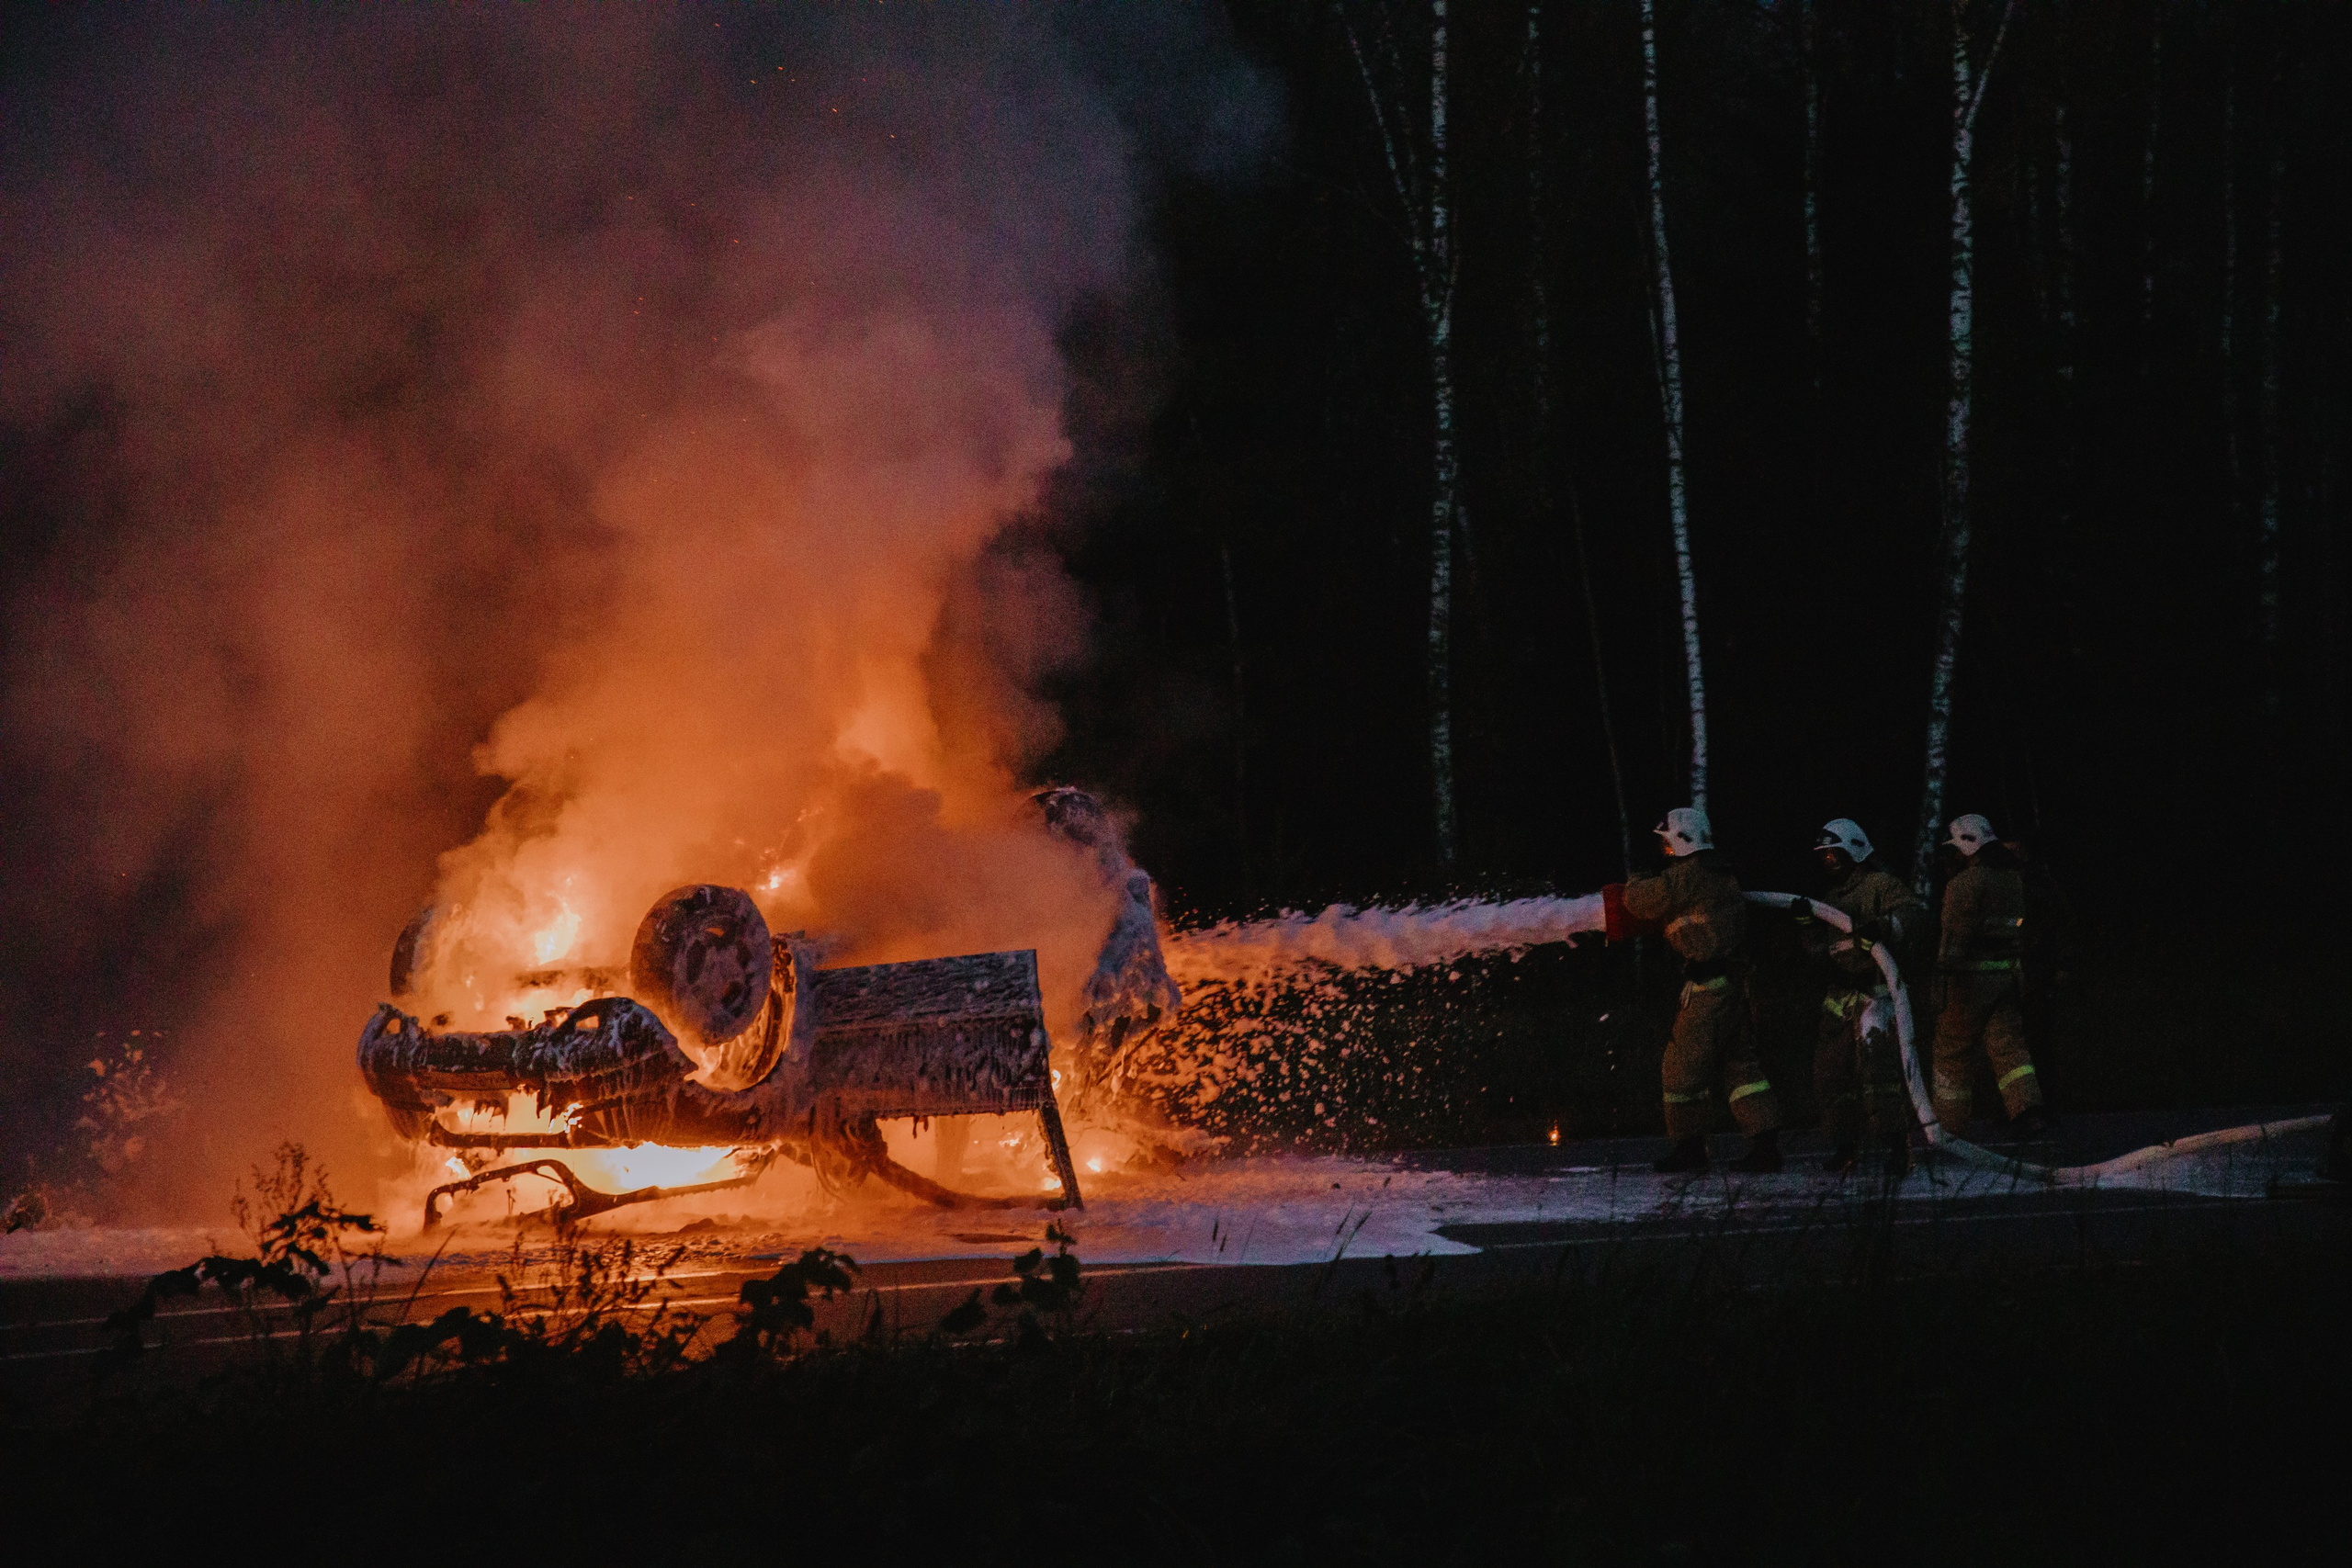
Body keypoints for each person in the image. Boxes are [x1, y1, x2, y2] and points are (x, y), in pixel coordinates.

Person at [1605, 807, 1784, 1174]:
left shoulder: (1691, 875)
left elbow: (1639, 901)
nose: (1665, 853)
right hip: (1732, 986)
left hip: (1708, 992)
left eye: (1668, 845)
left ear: (1683, 842)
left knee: (1680, 1069)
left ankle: (1689, 1148)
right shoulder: (1717, 872)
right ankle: (1766, 1146)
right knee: (1739, 1066)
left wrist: (1637, 876)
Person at [1794, 818, 1922, 1177]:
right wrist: (1807, 927)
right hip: (1839, 999)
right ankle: (1845, 1147)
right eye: (1824, 856)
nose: (1828, 861)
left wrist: (1881, 926)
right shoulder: (1829, 900)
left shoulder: (1881, 885)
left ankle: (1898, 1148)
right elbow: (1818, 954)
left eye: (1833, 854)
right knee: (1831, 1075)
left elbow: (1912, 916)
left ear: (1854, 849)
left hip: (1876, 995)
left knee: (1879, 1076)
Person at [1931, 814, 2049, 1138]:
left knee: (1952, 1055)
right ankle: (2028, 1111)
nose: (1953, 856)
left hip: (1968, 984)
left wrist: (1942, 981)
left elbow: (1954, 939)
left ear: (1968, 846)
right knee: (2010, 1048)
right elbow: (2021, 925)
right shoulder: (2012, 880)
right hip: (2007, 978)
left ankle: (1948, 1129)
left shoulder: (1964, 884)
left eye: (1955, 849)